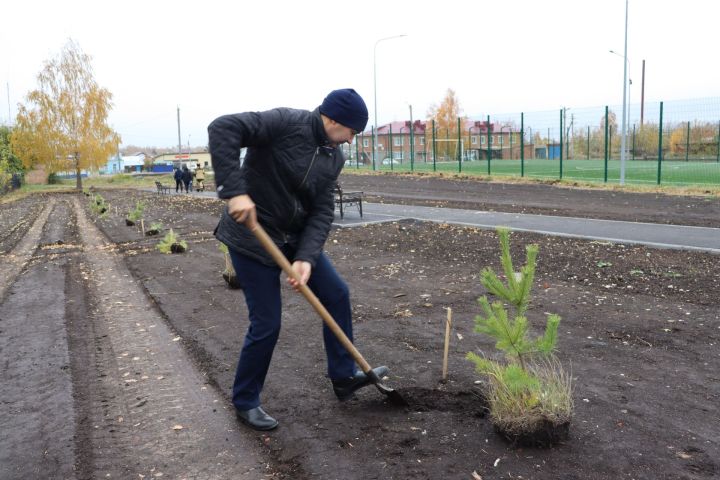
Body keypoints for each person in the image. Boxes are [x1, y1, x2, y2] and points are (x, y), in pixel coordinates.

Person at [208, 88, 388, 431]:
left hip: (294, 239)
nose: (351, 140)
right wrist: (234, 191)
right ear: (332, 119)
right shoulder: (285, 123)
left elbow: (321, 210)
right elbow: (223, 128)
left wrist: (306, 257)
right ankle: (245, 401)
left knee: (336, 293)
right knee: (267, 323)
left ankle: (343, 377)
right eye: (351, 131)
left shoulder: (333, 156)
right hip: (252, 236)